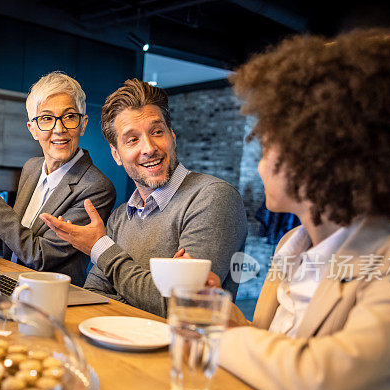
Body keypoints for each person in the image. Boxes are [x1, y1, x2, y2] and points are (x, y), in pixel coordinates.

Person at [211, 29, 390, 390]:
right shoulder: (292, 243)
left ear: (317, 151)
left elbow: (327, 383)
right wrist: (228, 318)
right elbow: (273, 352)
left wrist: (223, 336)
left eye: (268, 144)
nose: (260, 162)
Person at [41, 79, 247, 317]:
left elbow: (180, 309)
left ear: (172, 136)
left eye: (156, 132)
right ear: (117, 154)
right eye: (132, 139)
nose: (149, 148)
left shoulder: (212, 198)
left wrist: (101, 248)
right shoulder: (120, 217)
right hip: (113, 346)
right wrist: (150, 290)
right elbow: (95, 296)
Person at [0, 72, 116, 286]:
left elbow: (39, 255)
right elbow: (14, 239)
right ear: (33, 129)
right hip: (8, 281)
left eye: (69, 117)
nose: (58, 129)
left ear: (83, 124)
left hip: (51, 298)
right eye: (47, 119)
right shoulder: (32, 167)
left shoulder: (96, 187)